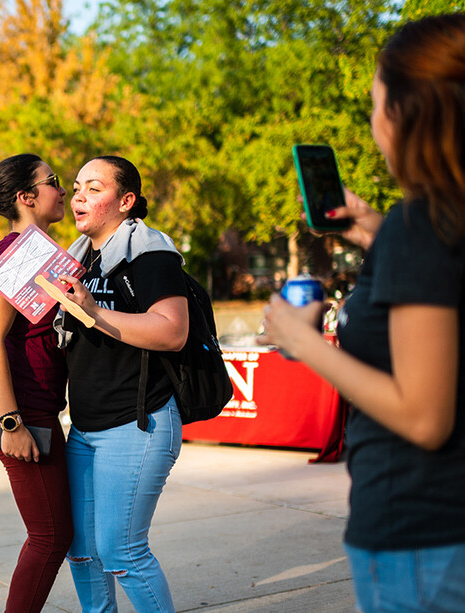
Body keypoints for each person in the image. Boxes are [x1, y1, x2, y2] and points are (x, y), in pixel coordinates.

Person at [258, 14, 465, 612]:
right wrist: (376, 232)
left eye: (376, 104)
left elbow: (425, 416)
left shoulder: (420, 225)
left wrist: (305, 342)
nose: (373, 124)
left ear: (406, 114)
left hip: (424, 529)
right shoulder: (430, 225)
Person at [55, 155, 188, 612]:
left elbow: (173, 331)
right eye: (76, 188)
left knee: (123, 554)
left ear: (126, 201)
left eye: (94, 188)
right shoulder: (76, 258)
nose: (78, 197)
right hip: (86, 427)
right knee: (81, 551)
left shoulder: (152, 253)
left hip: (138, 425)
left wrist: (92, 312)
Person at [0, 153, 73, 613]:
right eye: (53, 181)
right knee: (50, 536)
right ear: (26, 197)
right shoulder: (21, 249)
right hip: (19, 410)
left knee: (59, 531)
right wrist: (12, 423)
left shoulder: (41, 247)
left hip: (35, 405)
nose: (63, 189)